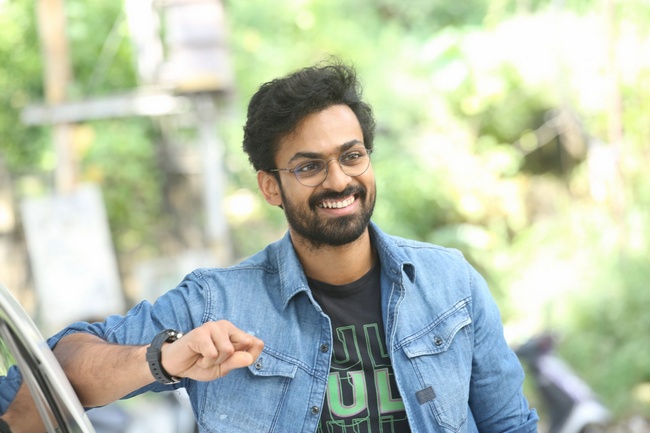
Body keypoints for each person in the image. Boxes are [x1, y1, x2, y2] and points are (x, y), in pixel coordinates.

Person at [0, 59, 539, 433]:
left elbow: (509, 425)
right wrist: (163, 358)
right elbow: (49, 373)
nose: (338, 180)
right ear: (270, 187)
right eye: (309, 166)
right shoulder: (216, 305)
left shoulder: (451, 283)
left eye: (352, 156)